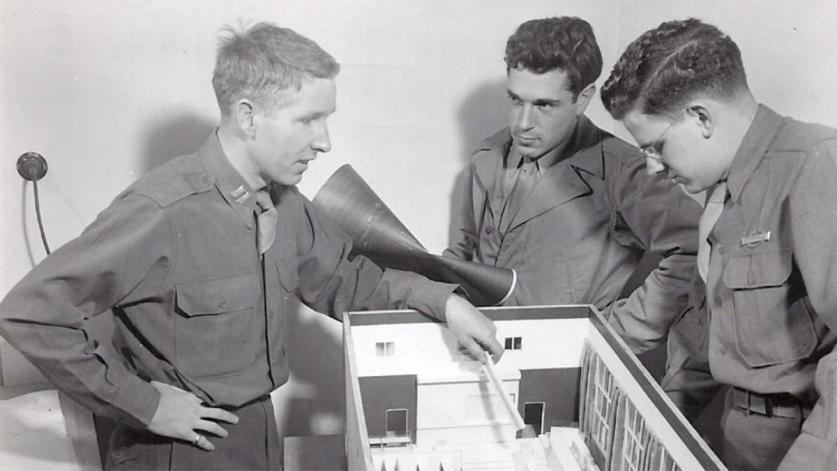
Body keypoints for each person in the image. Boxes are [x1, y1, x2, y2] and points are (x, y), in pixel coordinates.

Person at [0, 23, 502, 470]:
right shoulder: (161, 210)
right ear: (248, 116)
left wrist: (447, 302)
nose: (325, 141)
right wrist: (146, 405)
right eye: (308, 120)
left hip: (259, 435)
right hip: (177, 451)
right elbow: (29, 314)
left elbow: (348, 280)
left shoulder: (284, 204)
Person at [601, 18, 837, 471]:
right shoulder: (720, 192)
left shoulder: (814, 164)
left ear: (701, 117)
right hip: (738, 440)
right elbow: (704, 340)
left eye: (656, 147)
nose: (652, 168)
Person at [445, 16, 702, 356]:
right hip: (475, 355)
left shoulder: (624, 172)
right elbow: (458, 257)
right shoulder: (487, 157)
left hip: (559, 368)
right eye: (516, 100)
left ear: (582, 99)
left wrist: (610, 337)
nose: (523, 123)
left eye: (544, 105)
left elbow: (694, 248)